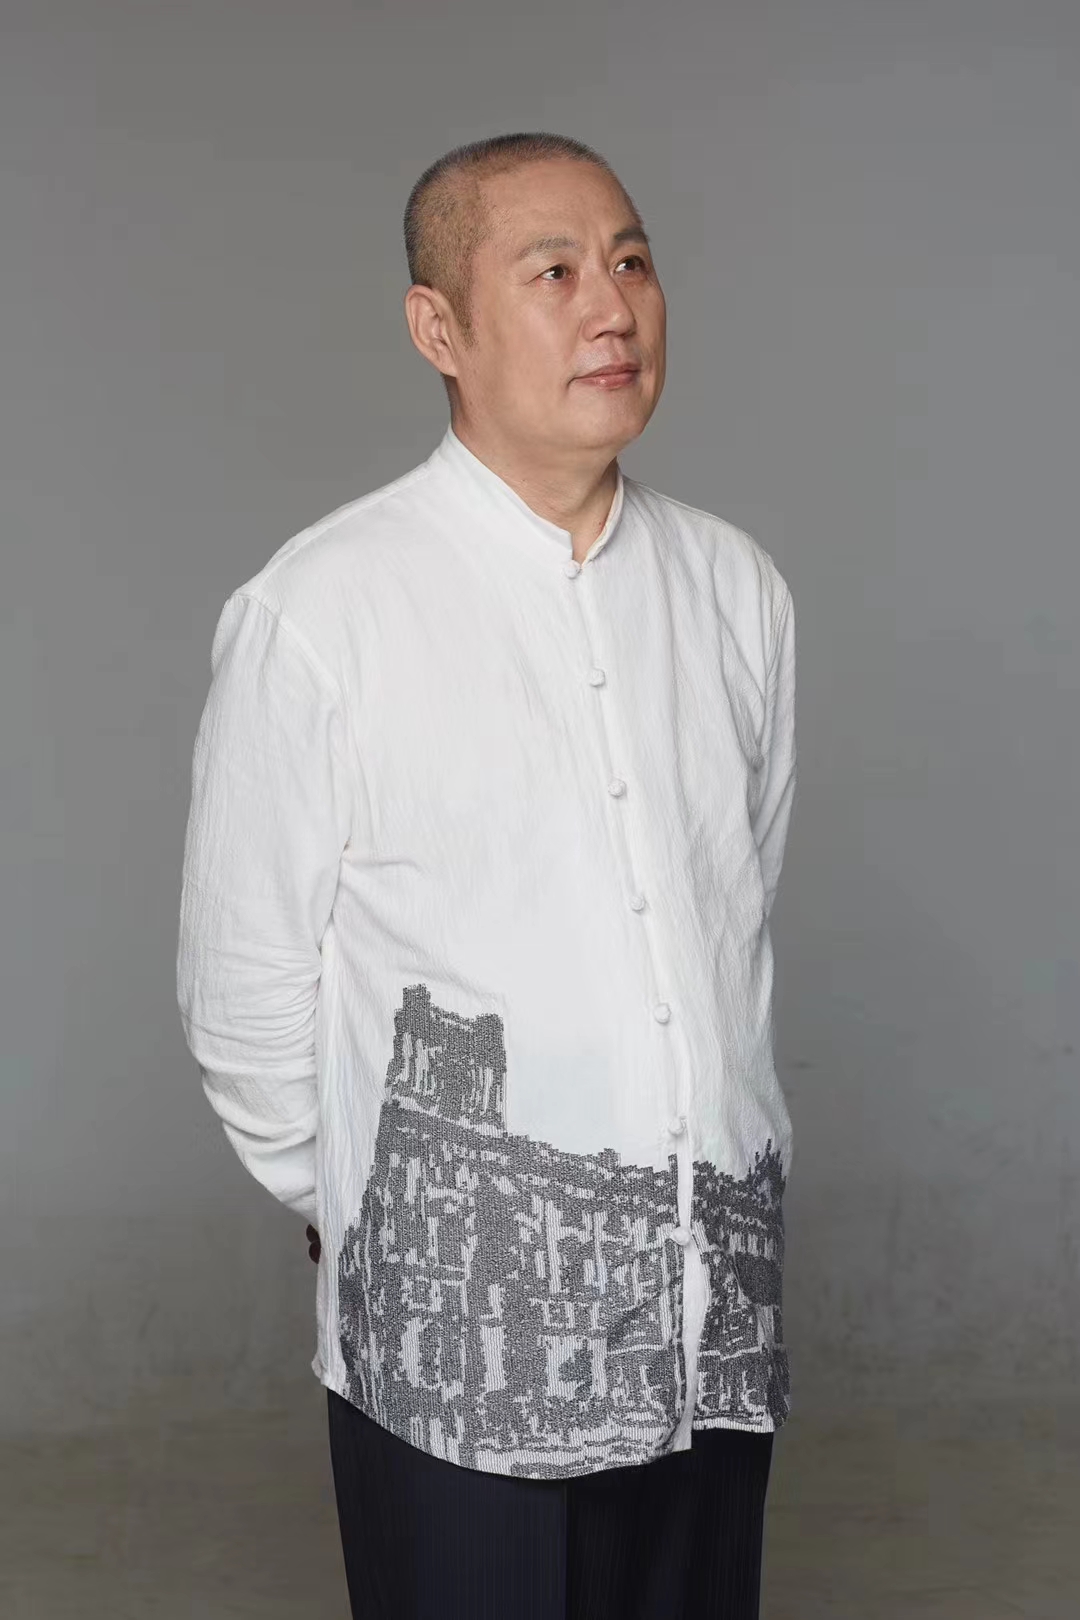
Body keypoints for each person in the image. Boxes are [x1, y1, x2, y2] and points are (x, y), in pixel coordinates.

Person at [177, 130, 796, 1620]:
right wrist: (377, 1205)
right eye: (555, 271)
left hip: (713, 1318)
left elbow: (731, 909)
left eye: (633, 261)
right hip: (456, 1355)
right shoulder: (321, 611)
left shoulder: (736, 591)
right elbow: (243, 991)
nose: (614, 307)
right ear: (439, 329)